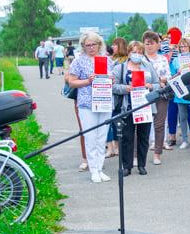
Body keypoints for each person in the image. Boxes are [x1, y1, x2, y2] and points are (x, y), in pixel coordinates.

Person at [67, 32, 112, 182]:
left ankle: (100, 167)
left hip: (104, 101)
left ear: (99, 44)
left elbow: (111, 78)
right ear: (83, 47)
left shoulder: (106, 60)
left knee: (102, 137)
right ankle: (93, 169)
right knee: (90, 136)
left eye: (94, 44)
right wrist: (87, 80)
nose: (91, 47)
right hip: (86, 103)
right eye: (88, 45)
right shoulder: (79, 61)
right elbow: (72, 81)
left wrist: (111, 79)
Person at [112, 41, 159, 176]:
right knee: (127, 137)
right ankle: (127, 166)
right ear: (128, 53)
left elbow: (158, 85)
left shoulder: (148, 66)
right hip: (127, 107)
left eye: (139, 52)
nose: (136, 55)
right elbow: (114, 87)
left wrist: (151, 87)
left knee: (143, 137)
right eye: (134, 52)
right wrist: (125, 89)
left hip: (144, 106)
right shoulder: (120, 68)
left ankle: (142, 164)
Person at [142, 31, 171, 164]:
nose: (149, 46)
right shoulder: (141, 59)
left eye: (152, 43)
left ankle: (157, 153)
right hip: (143, 93)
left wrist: (161, 79)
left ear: (157, 44)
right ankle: (138, 154)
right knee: (142, 124)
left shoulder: (163, 59)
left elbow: (169, 77)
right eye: (147, 43)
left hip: (160, 93)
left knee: (159, 124)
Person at [169, 38, 190, 149]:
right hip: (180, 89)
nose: (183, 48)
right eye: (181, 47)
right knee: (183, 116)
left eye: (185, 46)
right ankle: (185, 139)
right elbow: (171, 77)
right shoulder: (176, 61)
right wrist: (177, 73)